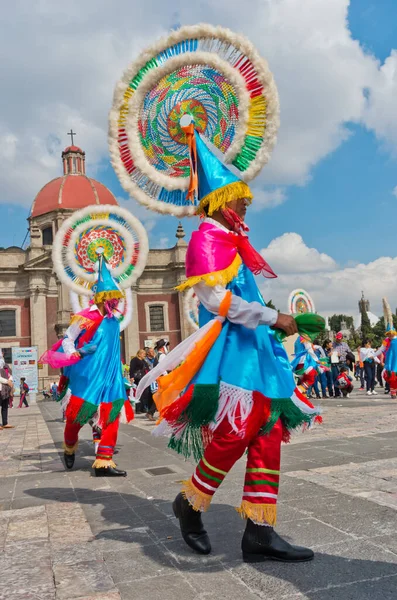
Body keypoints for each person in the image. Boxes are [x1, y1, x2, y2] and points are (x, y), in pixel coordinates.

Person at [135, 130, 322, 561]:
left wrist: (274, 325)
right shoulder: (204, 239)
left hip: (256, 351)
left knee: (270, 429)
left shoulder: (234, 241)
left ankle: (259, 531)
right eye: (239, 198)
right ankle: (190, 501)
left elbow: (247, 300)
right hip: (232, 354)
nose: (245, 204)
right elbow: (215, 300)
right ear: (219, 200)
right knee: (236, 432)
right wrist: (276, 317)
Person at [40, 255, 134, 476]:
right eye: (111, 297)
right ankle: (70, 445)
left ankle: (104, 461)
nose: (115, 301)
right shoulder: (84, 318)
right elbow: (67, 340)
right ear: (100, 297)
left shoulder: (114, 322)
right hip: (88, 375)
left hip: (110, 378)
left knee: (111, 417)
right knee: (77, 418)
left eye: (116, 297)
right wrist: (77, 353)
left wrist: (120, 375)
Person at [375, 298, 397, 399]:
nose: (390, 336)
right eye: (388, 334)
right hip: (390, 362)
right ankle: (393, 392)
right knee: (390, 376)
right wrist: (373, 355)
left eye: (391, 334)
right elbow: (381, 349)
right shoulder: (386, 341)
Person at [331, 333, 352, 397]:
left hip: (344, 363)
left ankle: (346, 392)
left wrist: (349, 360)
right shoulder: (332, 345)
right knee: (336, 378)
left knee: (345, 378)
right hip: (336, 363)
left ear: (342, 338)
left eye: (339, 339)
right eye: (337, 338)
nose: (338, 340)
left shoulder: (345, 345)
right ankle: (337, 393)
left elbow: (349, 353)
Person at [130, 349, 149, 414]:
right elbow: (131, 368)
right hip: (137, 378)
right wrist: (131, 377)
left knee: (144, 393)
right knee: (138, 392)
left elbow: (146, 367)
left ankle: (143, 408)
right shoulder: (134, 360)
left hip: (143, 377)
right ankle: (138, 409)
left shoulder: (143, 360)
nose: (144, 355)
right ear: (139, 354)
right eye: (143, 354)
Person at [0, 358, 14, 429]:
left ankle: (5, 423)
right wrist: (7, 381)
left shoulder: (6, 366)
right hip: (1, 389)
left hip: (6, 390)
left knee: (5, 406)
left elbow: (10, 374)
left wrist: (10, 380)